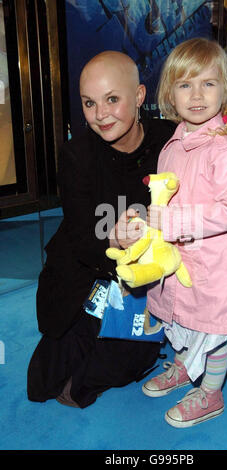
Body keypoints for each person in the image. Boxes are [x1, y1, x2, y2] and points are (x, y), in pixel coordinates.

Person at [27, 51, 176, 408]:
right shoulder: (77, 154)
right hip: (87, 269)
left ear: (139, 96)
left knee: (116, 366)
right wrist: (112, 239)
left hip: (145, 275)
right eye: (89, 103)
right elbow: (80, 236)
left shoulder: (170, 138)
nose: (101, 114)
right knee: (42, 380)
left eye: (113, 99)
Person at [142, 38, 227, 428]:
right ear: (170, 93)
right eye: (185, 84)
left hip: (216, 266)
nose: (196, 95)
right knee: (182, 322)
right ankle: (182, 369)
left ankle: (211, 391)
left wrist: (173, 223)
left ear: (225, 88)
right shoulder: (172, 145)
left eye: (208, 83)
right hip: (180, 262)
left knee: (212, 332)